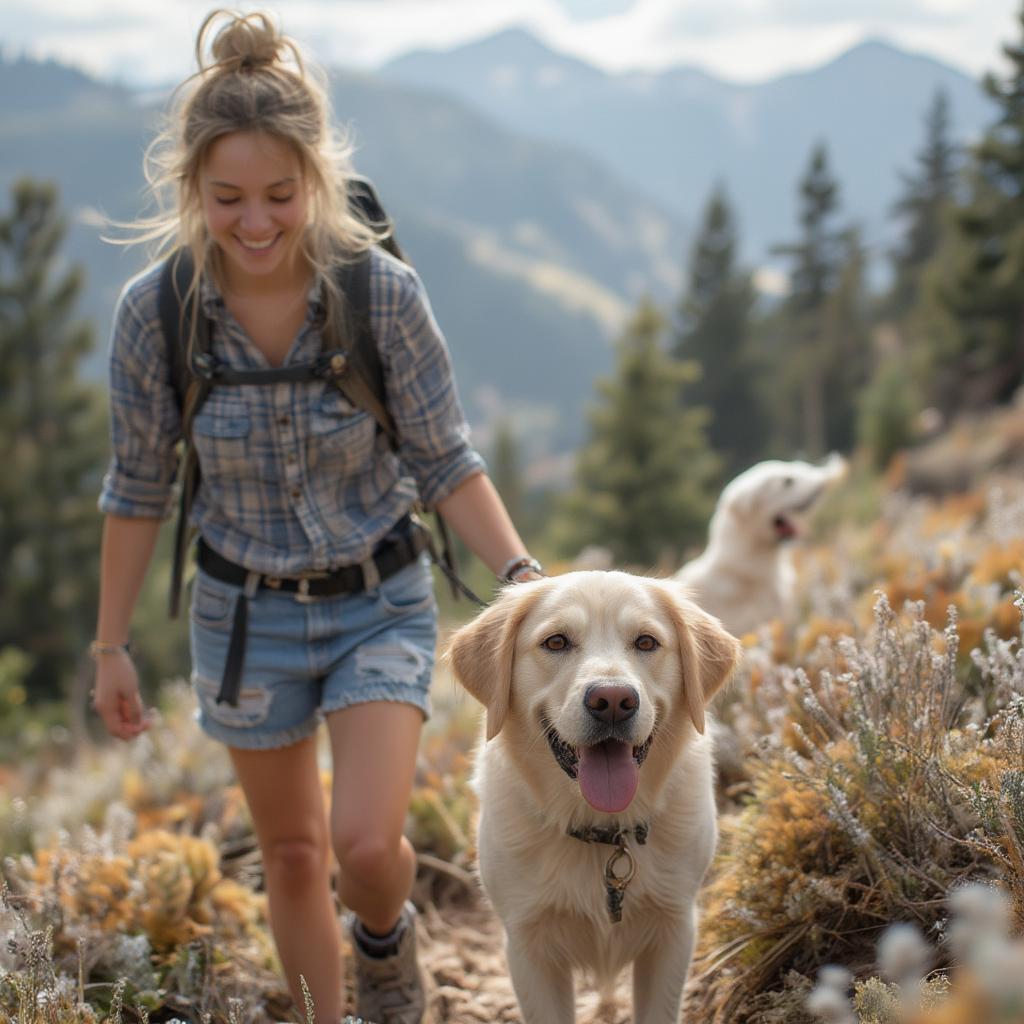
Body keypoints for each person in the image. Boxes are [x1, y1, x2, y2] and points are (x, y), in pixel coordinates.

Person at [91, 9, 542, 1024]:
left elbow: (445, 457)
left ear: (320, 181)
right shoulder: (152, 315)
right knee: (291, 854)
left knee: (367, 846)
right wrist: (111, 643)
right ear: (190, 191)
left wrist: (519, 573)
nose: (255, 222)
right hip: (243, 621)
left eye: (280, 196)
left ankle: (384, 941)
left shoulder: (380, 295)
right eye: (227, 198)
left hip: (377, 599)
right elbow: (136, 489)